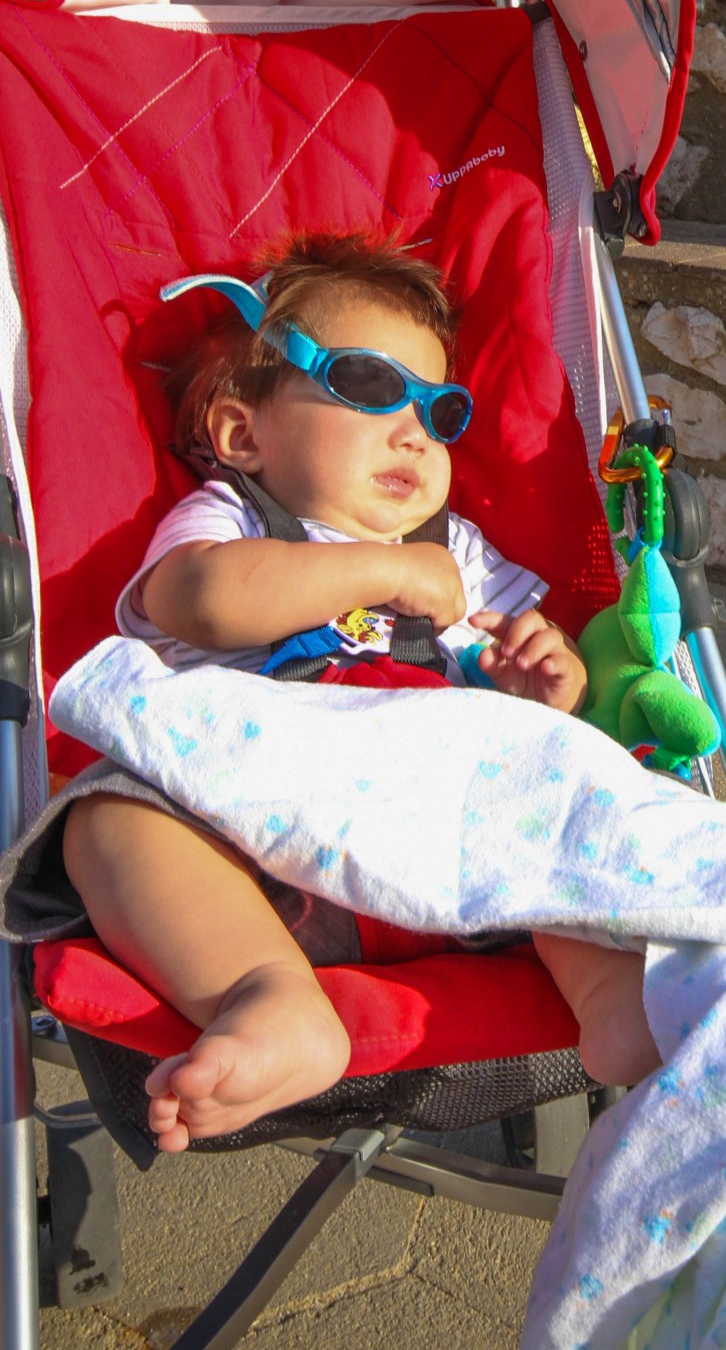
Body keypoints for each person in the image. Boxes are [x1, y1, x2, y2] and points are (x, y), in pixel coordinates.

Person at [58, 231, 660, 1153]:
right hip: (261, 866)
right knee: (105, 821)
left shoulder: (457, 552)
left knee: (557, 786)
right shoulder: (232, 520)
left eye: (440, 409)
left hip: (450, 856)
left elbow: (539, 676)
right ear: (242, 434)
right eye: (372, 388)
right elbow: (207, 602)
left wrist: (549, 681)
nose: (414, 430)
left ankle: (608, 991)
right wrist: (383, 570)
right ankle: (268, 996)